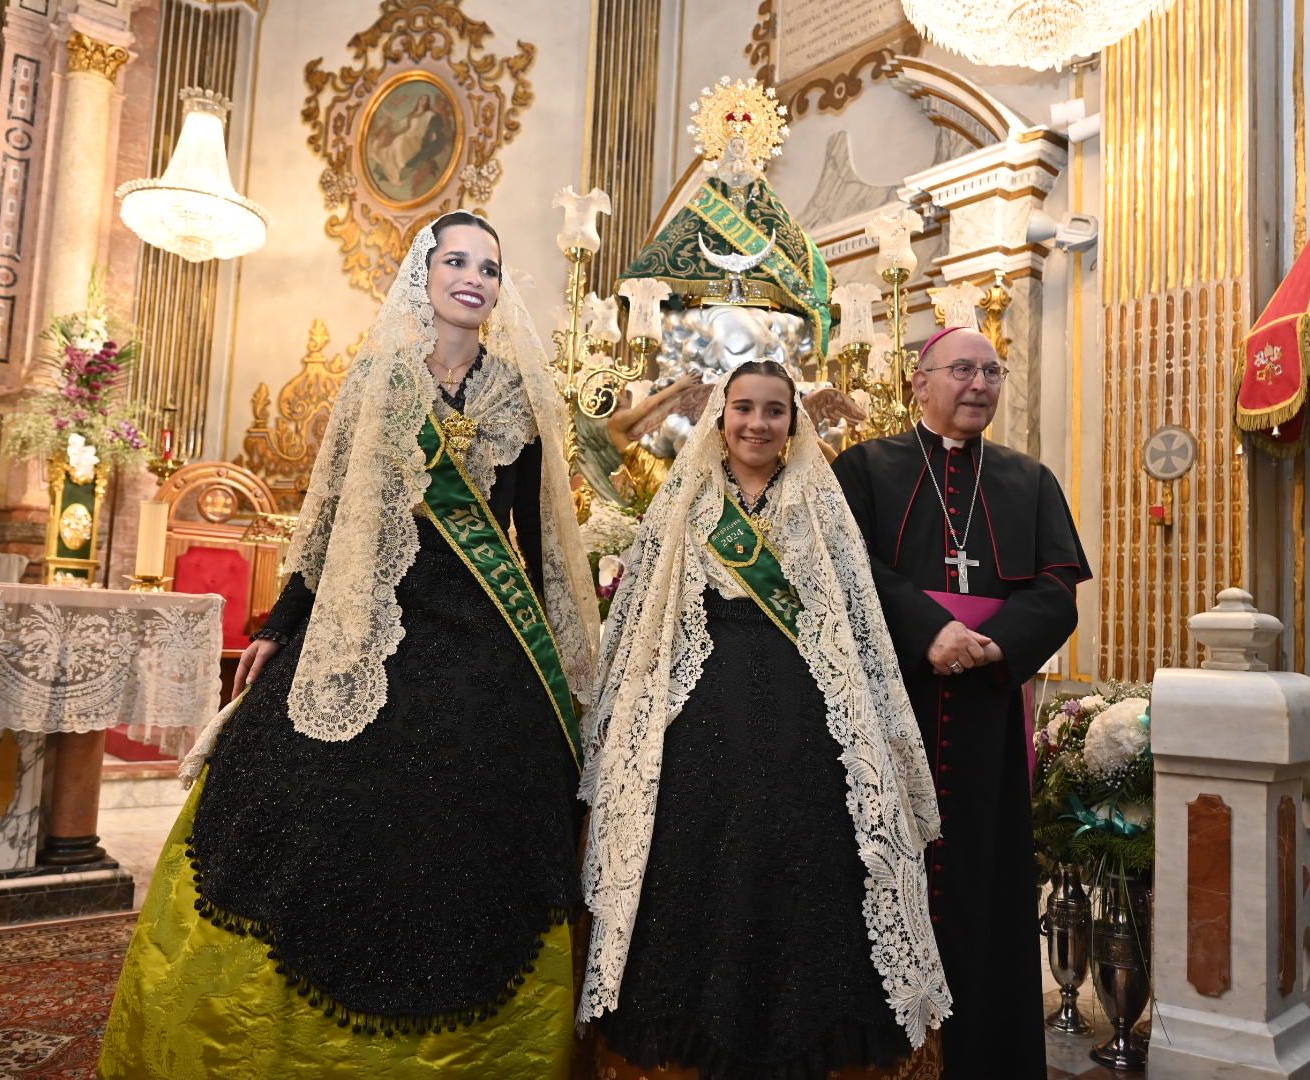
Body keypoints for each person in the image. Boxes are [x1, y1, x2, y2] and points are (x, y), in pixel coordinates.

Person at [97, 212, 600, 1079]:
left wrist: (565, 660)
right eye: (455, 261)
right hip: (372, 621)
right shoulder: (378, 379)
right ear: (424, 276)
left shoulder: (518, 395)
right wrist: (279, 625)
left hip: (484, 636)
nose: (473, 278)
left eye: (488, 266)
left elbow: (535, 537)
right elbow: (330, 515)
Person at [580, 359, 951, 1079]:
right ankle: (702, 1022)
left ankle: (799, 1021)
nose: (757, 423)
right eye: (744, 408)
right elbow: (646, 613)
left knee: (800, 852)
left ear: (792, 422)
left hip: (803, 712)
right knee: (703, 855)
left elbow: (852, 611)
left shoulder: (819, 501)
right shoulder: (685, 497)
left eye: (774, 410)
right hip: (701, 712)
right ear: (721, 416)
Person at [831, 327, 1091, 1079]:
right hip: (892, 706)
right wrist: (929, 631)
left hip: (987, 712)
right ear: (920, 382)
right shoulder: (865, 468)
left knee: (985, 885)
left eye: (993, 371)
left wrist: (995, 644)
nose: (980, 384)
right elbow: (844, 567)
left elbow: (1057, 589)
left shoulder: (1029, 480)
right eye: (963, 370)